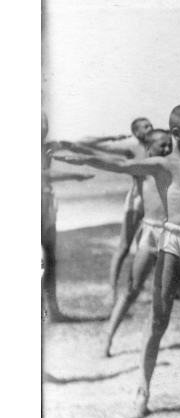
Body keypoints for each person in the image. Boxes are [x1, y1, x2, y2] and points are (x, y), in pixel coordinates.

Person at [50, 104, 180, 418]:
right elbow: (118, 165)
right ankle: (142, 394)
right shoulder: (161, 165)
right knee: (158, 320)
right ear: (176, 135)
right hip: (172, 243)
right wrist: (81, 159)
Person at [100, 130, 180, 357]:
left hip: (172, 234)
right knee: (132, 288)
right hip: (150, 234)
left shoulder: (175, 168)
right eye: (161, 146)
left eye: (168, 146)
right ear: (148, 149)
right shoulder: (142, 170)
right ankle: (108, 336)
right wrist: (85, 159)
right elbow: (115, 164)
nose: (166, 150)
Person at [77, 117, 154, 303]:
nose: (150, 128)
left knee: (148, 247)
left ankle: (135, 286)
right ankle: (111, 290)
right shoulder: (131, 149)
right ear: (136, 133)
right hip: (137, 200)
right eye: (145, 127)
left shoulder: (161, 147)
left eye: (151, 125)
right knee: (124, 247)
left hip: (155, 202)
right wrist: (112, 137)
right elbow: (83, 143)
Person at [41, 114, 96, 323]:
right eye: (39, 122)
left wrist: (107, 152)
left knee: (50, 258)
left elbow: (77, 146)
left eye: (46, 122)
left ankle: (53, 311)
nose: (44, 126)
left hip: (46, 203)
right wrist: (75, 175)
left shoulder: (50, 146)